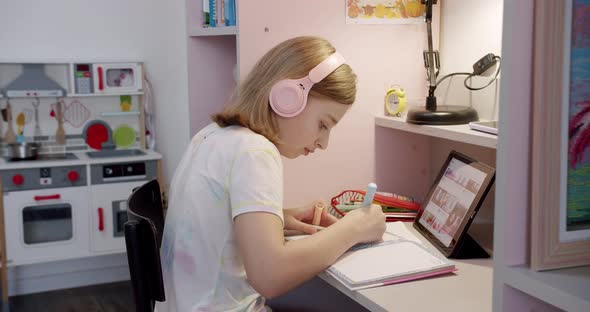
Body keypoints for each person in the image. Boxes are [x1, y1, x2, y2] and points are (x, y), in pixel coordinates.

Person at [156, 36, 386, 312]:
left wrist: (279, 217)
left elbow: (214, 217)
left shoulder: (212, 136)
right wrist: (355, 227)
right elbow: (270, 275)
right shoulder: (255, 151)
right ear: (288, 97)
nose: (324, 143)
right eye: (323, 124)